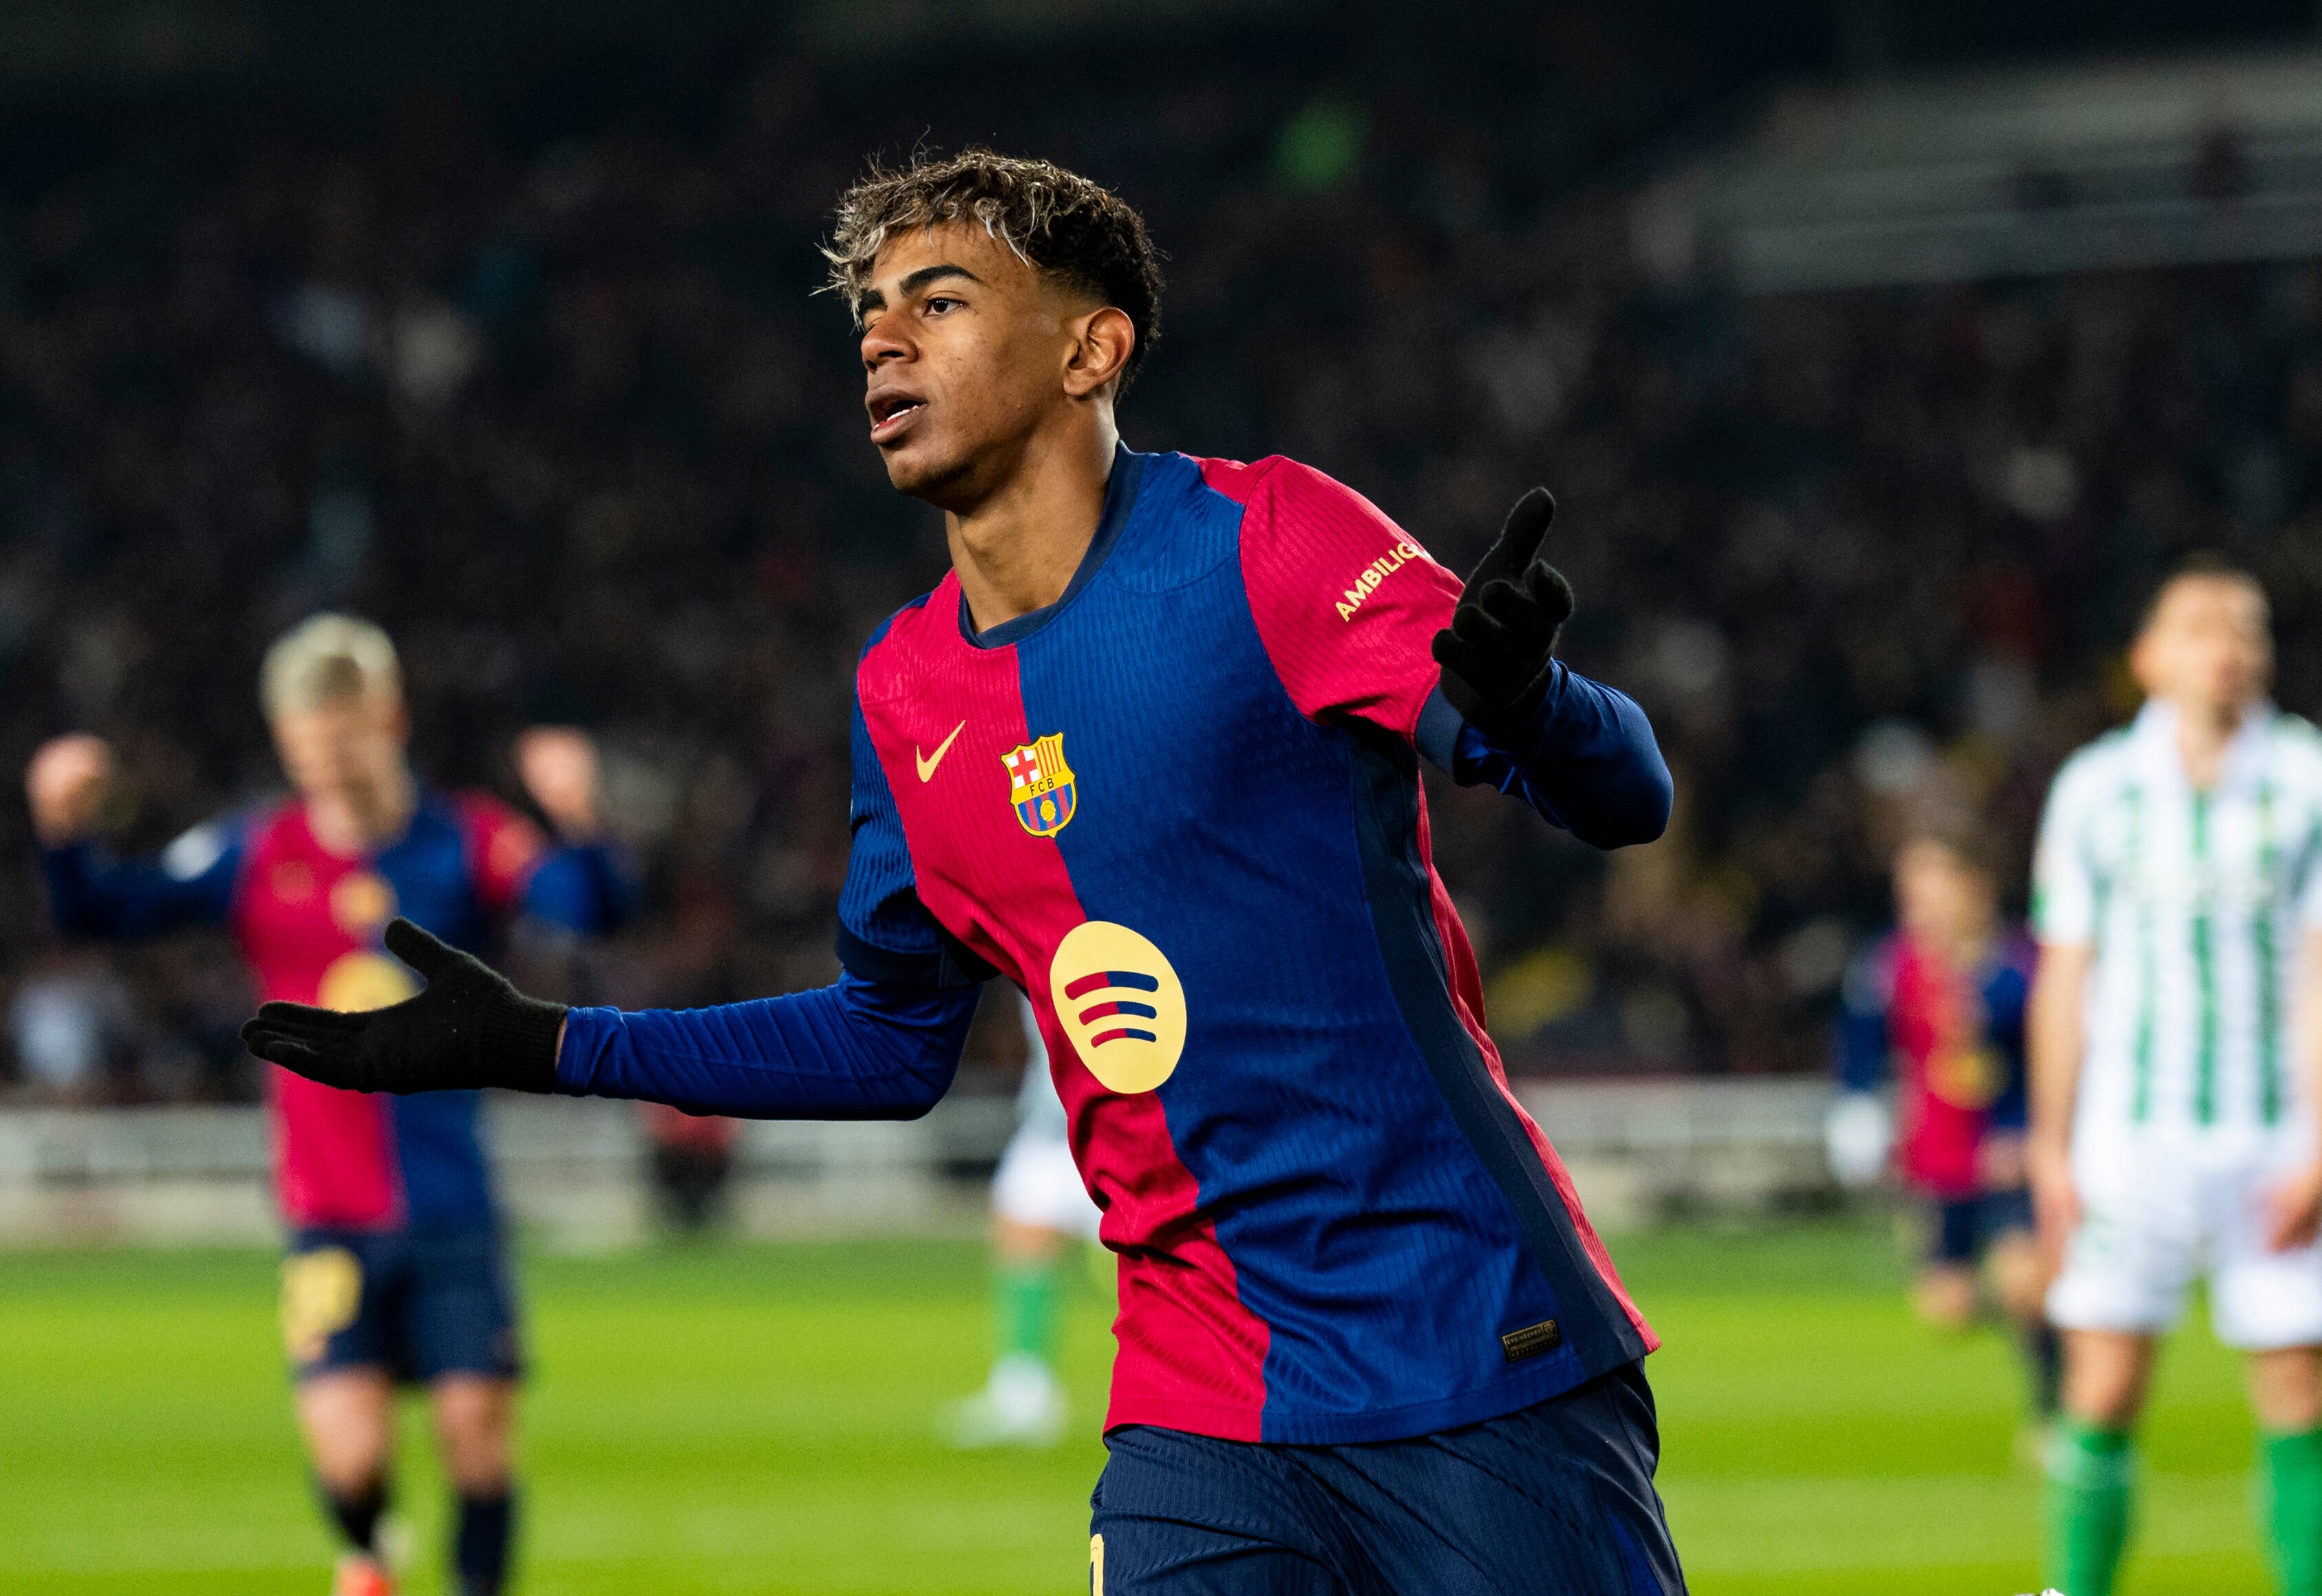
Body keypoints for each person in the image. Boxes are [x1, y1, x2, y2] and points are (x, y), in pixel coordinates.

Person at [243, 151, 1685, 1596]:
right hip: (1202, 1400)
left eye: (937, 300)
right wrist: (541, 1043)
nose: (881, 336)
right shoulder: (905, 689)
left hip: (1472, 1343)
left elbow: (1623, 793)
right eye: (871, 310)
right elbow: (888, 1039)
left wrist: (1532, 702)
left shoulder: (1269, 540)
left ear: (1089, 346)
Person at [28, 615, 631, 1596]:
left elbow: (587, 904)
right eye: (307, 744)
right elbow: (105, 909)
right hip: (328, 1213)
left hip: (450, 1204)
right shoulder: (255, 850)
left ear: (386, 718)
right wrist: (63, 828)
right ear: (285, 740)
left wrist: (584, 818)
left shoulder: (465, 838)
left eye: (342, 736)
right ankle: (366, 1547)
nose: (328, 762)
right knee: (350, 1460)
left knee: (476, 1436)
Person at [2027, 557, 2322, 1596]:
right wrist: (2050, 1146)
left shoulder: (2320, 781)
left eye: (2248, 628)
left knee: (2297, 1382)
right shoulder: (2093, 790)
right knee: (2100, 1380)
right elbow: (2064, 975)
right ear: (2147, 658)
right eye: (2200, 626)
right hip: (2129, 1137)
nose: (2228, 646)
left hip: (2275, 1132)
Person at [1833, 832, 2057, 1439]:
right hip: (1937, 1163)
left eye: (1932, 890)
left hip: (2009, 1157)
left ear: (1974, 888)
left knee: (2022, 1280)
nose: (1919, 907)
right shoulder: (1891, 966)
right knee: (1947, 1310)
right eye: (1909, 894)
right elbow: (1859, 1041)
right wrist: (1857, 1110)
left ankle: (2052, 1412)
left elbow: (2057, 1056)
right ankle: (2054, 1321)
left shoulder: (2024, 964)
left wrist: (2037, 1133)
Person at [945, 987, 1105, 1448]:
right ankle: (1024, 1393)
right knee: (1020, 1225)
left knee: (1154, 1274)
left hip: (1118, 1124)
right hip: (1052, 1121)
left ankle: (1201, 1389)